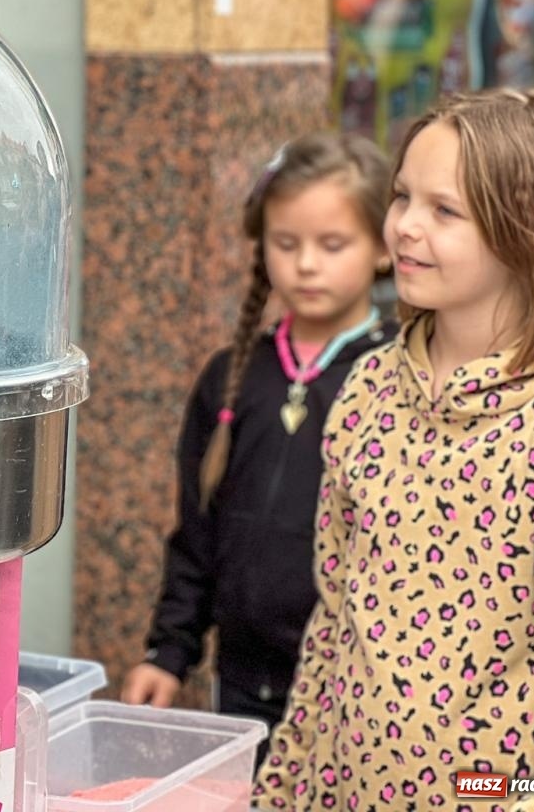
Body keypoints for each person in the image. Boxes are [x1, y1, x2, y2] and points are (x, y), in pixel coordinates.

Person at [254, 89, 534, 811]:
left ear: (529, 232)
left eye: (444, 210)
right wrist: (280, 792)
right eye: (401, 198)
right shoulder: (365, 391)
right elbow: (333, 623)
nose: (405, 227)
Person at [123, 132, 395, 744]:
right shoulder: (231, 377)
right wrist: (169, 651)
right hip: (242, 686)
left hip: (354, 692)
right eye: (286, 243)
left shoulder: (396, 379)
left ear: (381, 247)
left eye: (332, 244)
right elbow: (197, 532)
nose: (305, 264)